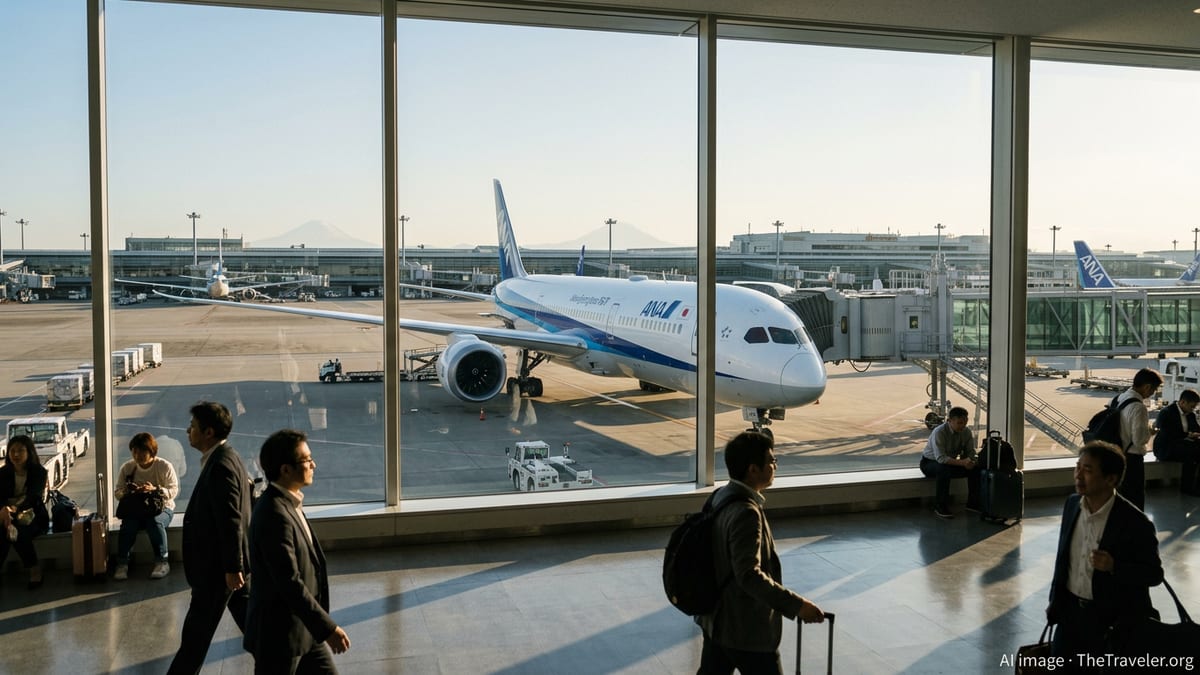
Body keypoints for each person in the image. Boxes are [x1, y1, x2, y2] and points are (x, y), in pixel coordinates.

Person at [697, 431, 825, 675]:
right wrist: (797, 606)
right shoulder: (746, 512)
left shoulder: (720, 496)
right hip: (745, 627)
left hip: (716, 619)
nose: (775, 465)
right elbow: (748, 575)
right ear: (753, 470)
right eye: (771, 461)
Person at [1046, 440, 1163, 663]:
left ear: (1111, 479)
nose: (1078, 475)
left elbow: (1154, 575)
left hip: (1109, 622)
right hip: (1069, 615)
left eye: (1088, 470)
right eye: (1077, 467)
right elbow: (1064, 560)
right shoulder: (1072, 505)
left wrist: (1114, 567)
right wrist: (1055, 601)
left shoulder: (1135, 523)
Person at [245, 429, 350, 673]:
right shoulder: (274, 514)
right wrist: (328, 628)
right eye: (306, 459)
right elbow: (288, 582)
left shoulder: (287, 503)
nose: (314, 464)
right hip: (280, 636)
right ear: (285, 469)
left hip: (303, 629)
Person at [168, 401, 252, 675]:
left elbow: (231, 520)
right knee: (255, 629)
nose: (187, 430)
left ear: (208, 432)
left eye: (192, 426)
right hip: (226, 569)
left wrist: (232, 566)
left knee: (194, 640)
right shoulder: (228, 457)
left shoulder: (221, 466)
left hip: (217, 571)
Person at [113, 432, 179, 580]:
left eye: (142, 451)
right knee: (128, 524)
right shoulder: (127, 468)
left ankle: (162, 561)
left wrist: (155, 490)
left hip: (162, 507)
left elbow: (173, 490)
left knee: (155, 522)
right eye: (135, 452)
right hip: (137, 509)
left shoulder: (163, 466)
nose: (138, 456)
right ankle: (122, 563)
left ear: (152, 451)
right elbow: (117, 492)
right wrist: (129, 491)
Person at [0, 435, 49, 589]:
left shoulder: (39, 472)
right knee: (3, 532)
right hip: (6, 514)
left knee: (19, 531)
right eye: (12, 451)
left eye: (20, 450)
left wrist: (12, 509)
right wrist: (3, 509)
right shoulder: (3, 473)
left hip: (32, 516)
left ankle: (34, 569)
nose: (16, 455)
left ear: (29, 452)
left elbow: (34, 497)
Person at [918, 406, 980, 519]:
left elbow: (970, 451)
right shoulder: (939, 432)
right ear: (949, 421)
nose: (963, 426)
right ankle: (940, 506)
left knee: (976, 470)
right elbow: (941, 458)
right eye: (959, 423)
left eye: (965, 422)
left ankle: (973, 503)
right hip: (930, 463)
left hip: (950, 463)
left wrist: (972, 461)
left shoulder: (966, 432)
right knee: (943, 470)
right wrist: (962, 463)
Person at [1116, 367, 1162, 510]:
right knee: (1134, 499)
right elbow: (1139, 440)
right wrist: (1150, 432)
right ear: (1147, 386)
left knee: (1121, 497)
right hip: (1132, 458)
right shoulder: (1138, 407)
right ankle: (1135, 528)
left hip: (1119, 453)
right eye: (1153, 390)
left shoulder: (1121, 398)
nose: (1152, 393)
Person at [1152, 388, 1200, 496]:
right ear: (1183, 402)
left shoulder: (1190, 414)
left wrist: (1195, 434)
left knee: (1194, 451)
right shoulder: (1167, 412)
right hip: (1166, 447)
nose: (1193, 409)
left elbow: (1196, 428)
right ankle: (1187, 487)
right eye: (1191, 406)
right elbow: (1168, 433)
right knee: (1191, 454)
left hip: (1183, 444)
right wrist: (1188, 435)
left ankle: (1196, 486)